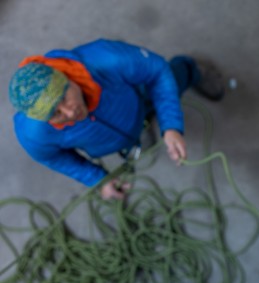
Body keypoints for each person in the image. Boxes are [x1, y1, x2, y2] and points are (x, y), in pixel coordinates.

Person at [8, 38, 225, 200]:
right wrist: (97, 179)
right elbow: (55, 158)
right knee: (136, 126)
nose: (70, 112)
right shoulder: (33, 134)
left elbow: (158, 70)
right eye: (55, 114)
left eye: (65, 97)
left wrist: (171, 126)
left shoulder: (108, 59)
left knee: (174, 78)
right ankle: (139, 129)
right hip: (119, 130)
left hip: (139, 95)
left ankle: (192, 69)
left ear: (66, 78)